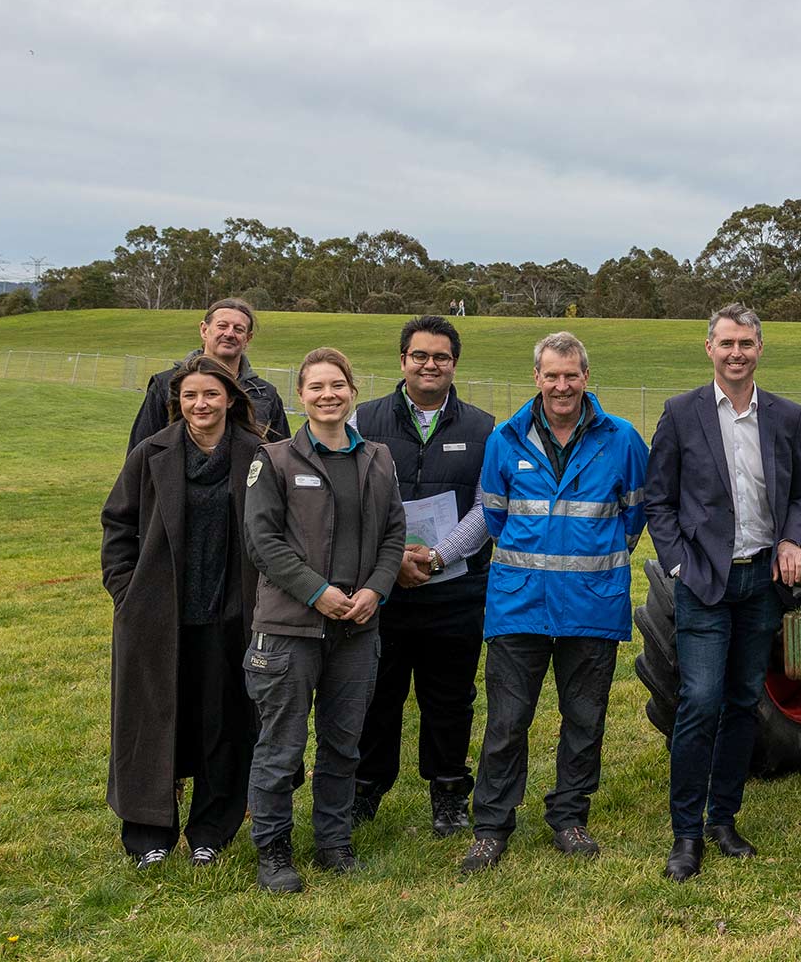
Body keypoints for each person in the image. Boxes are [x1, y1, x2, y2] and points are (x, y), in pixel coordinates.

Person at [457, 332, 649, 875]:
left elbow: (634, 516)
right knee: (506, 723)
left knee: (584, 720)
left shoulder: (623, 439)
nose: (561, 385)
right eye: (551, 375)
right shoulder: (506, 439)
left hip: (592, 606)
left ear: (586, 378)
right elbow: (494, 517)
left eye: (571, 375)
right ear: (537, 378)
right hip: (519, 607)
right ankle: (491, 828)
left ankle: (569, 815)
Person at [644, 304, 801, 883]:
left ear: (760, 348)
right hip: (704, 582)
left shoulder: (786, 417)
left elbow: (800, 495)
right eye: (726, 344)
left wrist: (792, 540)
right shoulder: (681, 414)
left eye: (746, 343)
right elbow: (658, 501)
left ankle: (723, 818)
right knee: (700, 701)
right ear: (708, 348)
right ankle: (685, 835)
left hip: (761, 581)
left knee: (744, 701)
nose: (736, 353)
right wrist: (677, 565)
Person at [241, 347, 405, 893]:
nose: (328, 395)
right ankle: (273, 849)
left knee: (343, 743)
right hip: (290, 629)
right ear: (301, 395)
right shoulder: (275, 458)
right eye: (316, 387)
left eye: (337, 385)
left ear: (352, 391)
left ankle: (333, 842)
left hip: (357, 629)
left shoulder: (378, 457)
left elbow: (393, 535)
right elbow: (262, 542)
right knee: (281, 746)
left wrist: (376, 591)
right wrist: (319, 593)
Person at [100, 355, 268, 869]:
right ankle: (148, 832)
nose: (201, 404)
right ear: (178, 403)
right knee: (152, 722)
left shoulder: (260, 455)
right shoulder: (150, 454)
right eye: (191, 395)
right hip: (157, 617)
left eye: (211, 394)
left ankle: (211, 831)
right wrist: (126, 592)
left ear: (231, 400)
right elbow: (117, 525)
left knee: (225, 722)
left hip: (231, 614)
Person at [351, 316, 496, 837]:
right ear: (403, 361)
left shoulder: (484, 427)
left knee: (450, 697)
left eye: (440, 357)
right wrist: (393, 564)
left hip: (454, 589)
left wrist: (434, 557)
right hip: (380, 590)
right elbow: (349, 500)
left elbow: (487, 508)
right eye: (419, 356)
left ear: (454, 364)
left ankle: (449, 791)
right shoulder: (364, 421)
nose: (429, 365)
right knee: (375, 693)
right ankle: (365, 789)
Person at [129, 298, 291, 450]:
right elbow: (140, 454)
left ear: (248, 338)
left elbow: (281, 458)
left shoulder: (264, 394)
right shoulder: (166, 384)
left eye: (238, 329)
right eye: (222, 326)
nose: (229, 334)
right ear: (204, 330)